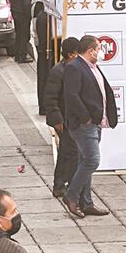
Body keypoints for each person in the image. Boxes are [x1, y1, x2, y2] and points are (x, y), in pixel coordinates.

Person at [61, 34, 118, 219]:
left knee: (84, 161)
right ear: (90, 50)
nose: (101, 52)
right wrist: (85, 117)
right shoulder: (75, 68)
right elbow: (72, 96)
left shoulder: (92, 67)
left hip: (95, 122)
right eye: (99, 48)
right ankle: (71, 195)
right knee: (92, 160)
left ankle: (86, 202)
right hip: (84, 124)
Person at [43, 37, 80, 198]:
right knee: (70, 153)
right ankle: (64, 184)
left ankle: (63, 184)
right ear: (71, 54)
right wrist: (57, 120)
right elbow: (50, 99)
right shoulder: (59, 71)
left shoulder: (73, 69)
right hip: (63, 121)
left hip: (72, 120)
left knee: (67, 153)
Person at [9, 0, 33, 64]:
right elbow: (27, 4)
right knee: (24, 36)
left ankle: (17, 55)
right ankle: (22, 56)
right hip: (23, 15)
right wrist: (29, 16)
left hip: (16, 13)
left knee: (19, 35)